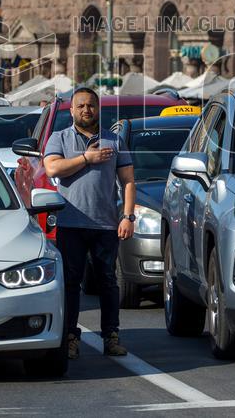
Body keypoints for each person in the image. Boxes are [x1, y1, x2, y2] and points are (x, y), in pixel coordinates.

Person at [43, 87, 136, 359]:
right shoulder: (59, 138)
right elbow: (52, 168)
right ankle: (71, 337)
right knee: (71, 283)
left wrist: (128, 216)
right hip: (71, 224)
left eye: (91, 106)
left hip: (106, 224)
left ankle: (111, 336)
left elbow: (128, 182)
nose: (86, 110)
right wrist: (86, 158)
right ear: (71, 110)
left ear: (99, 109)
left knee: (108, 282)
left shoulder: (114, 141)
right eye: (81, 105)